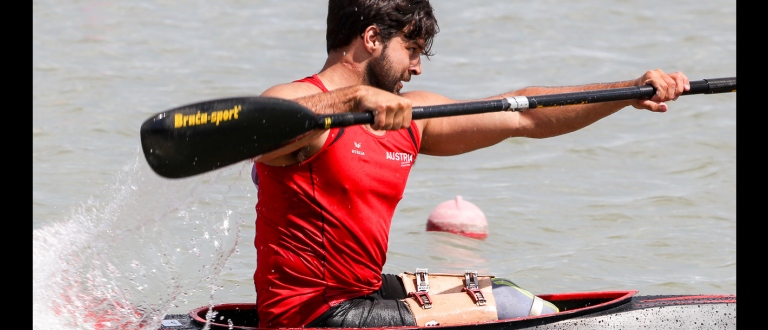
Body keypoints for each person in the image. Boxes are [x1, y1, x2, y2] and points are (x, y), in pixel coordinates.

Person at [251, 0, 690, 327]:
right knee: (517, 310)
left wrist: (629, 90)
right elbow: (257, 135)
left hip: (360, 293)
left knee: (501, 290)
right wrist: (353, 97)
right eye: (412, 49)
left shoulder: (409, 119)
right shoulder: (294, 101)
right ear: (371, 39)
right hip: (311, 315)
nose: (417, 68)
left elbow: (523, 115)